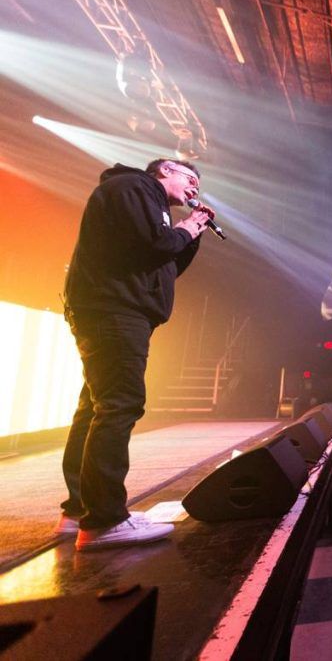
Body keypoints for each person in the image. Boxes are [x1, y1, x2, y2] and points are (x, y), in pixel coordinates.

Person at [59, 158, 213, 551]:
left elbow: (163, 264)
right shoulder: (134, 188)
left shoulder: (147, 201)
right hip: (114, 312)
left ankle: (81, 509)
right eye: (190, 178)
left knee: (97, 407)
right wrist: (188, 226)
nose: (195, 188)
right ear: (164, 170)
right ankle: (105, 520)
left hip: (113, 311)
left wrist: (191, 234)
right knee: (118, 405)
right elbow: (157, 245)